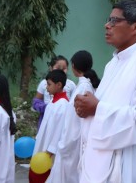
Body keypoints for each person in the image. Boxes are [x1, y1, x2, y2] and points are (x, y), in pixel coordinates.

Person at [74, 0, 136, 183]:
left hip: (123, 164)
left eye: (114, 20)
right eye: (109, 20)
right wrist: (85, 107)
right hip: (95, 159)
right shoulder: (113, 63)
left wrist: (97, 109)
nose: (107, 25)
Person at [47, 50, 100, 183]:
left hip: (73, 142)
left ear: (74, 66)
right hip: (78, 140)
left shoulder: (82, 88)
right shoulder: (86, 85)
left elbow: (73, 120)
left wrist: (64, 144)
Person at [30, 69, 69, 183]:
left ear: (59, 85)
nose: (46, 87)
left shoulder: (63, 105)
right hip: (42, 144)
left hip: (49, 152)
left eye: (49, 84)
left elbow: (59, 131)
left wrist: (49, 152)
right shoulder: (52, 103)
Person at [32, 55, 76, 129]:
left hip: (63, 119)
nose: (61, 70)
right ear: (51, 68)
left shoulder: (71, 85)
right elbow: (37, 100)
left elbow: (73, 102)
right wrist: (46, 108)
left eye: (64, 68)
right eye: (58, 68)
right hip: (46, 117)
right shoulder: (44, 83)